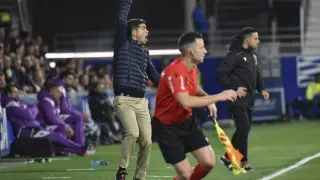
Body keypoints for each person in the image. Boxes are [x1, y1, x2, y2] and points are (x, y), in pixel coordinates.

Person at [152, 32, 238, 180]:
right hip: (167, 128)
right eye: (202, 47)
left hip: (186, 122)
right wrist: (219, 96)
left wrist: (207, 99)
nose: (205, 51)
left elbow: (194, 88)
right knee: (185, 174)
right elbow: (186, 101)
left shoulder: (192, 67)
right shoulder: (175, 72)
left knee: (208, 162)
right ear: (191, 51)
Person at [112, 0, 160, 179]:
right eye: (143, 28)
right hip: (123, 100)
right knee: (133, 133)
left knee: (147, 141)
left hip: (141, 102)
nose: (147, 31)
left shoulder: (145, 52)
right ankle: (122, 169)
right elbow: (120, 20)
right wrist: (126, 2)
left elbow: (154, 74)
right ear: (133, 32)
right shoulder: (121, 44)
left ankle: (140, 176)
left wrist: (170, 85)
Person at [216, 27, 269, 171]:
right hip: (237, 100)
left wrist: (262, 89)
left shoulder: (253, 55)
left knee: (244, 131)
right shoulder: (234, 55)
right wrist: (235, 88)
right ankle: (228, 157)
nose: (258, 41)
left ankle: (244, 161)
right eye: (255, 38)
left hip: (250, 99)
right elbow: (220, 74)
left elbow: (256, 74)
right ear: (247, 40)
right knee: (244, 128)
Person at [1, 84, 86, 156]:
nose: (18, 93)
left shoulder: (19, 103)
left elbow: (33, 109)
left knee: (55, 143)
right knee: (58, 137)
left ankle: (78, 149)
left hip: (33, 129)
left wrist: (32, 113)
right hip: (26, 132)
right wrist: (32, 115)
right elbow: (30, 115)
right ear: (9, 94)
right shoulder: (11, 106)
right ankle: (79, 148)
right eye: (15, 92)